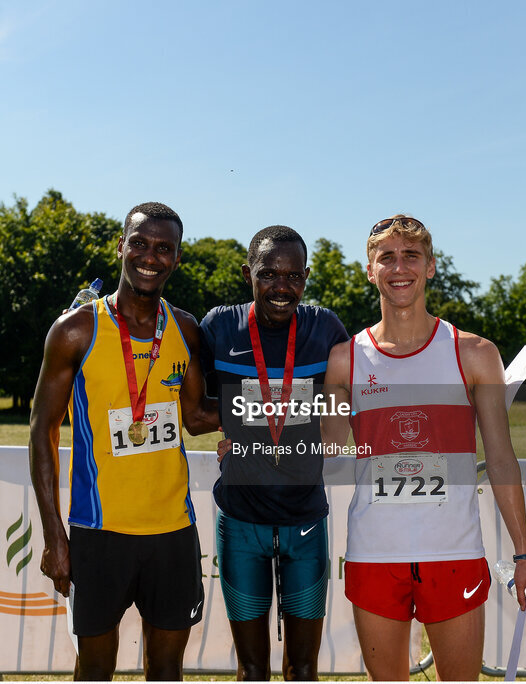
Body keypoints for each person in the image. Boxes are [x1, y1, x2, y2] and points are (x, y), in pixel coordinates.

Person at [321, 215, 526, 681]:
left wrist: (524, 556)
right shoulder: (345, 358)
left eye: (411, 256)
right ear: (370, 270)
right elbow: (323, 450)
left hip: (455, 552)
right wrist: (252, 440)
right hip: (374, 554)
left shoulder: (475, 353)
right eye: (387, 257)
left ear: (431, 267)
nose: (399, 266)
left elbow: (502, 460)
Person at [29, 202, 219, 681]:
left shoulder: (186, 329)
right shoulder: (75, 330)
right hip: (98, 530)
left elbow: (196, 416)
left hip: (172, 529)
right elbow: (42, 430)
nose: (149, 256)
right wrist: (55, 535)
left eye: (163, 248)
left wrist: (282, 405)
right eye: (139, 242)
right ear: (121, 246)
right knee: (94, 669)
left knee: (168, 669)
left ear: (177, 258)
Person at [200, 225, 349, 680]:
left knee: (303, 670)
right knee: (251, 670)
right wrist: (229, 421)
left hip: (305, 519)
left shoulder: (326, 328)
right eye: (268, 274)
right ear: (248, 273)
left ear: (306, 276)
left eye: (293, 276)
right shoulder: (218, 326)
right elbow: (193, 408)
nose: (281, 287)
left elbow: (350, 402)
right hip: (240, 522)